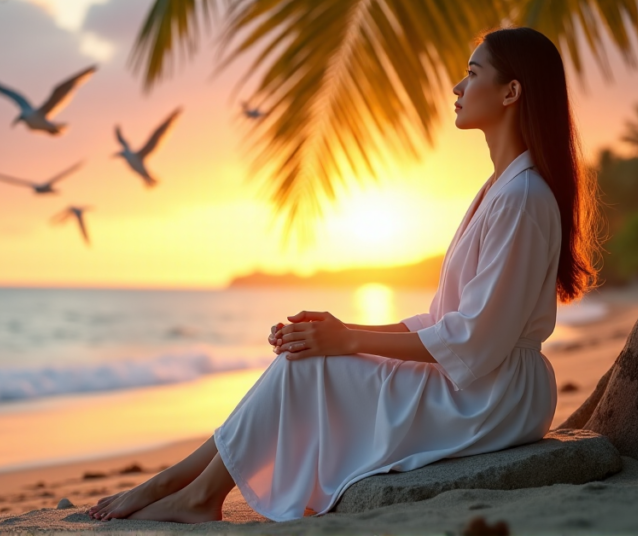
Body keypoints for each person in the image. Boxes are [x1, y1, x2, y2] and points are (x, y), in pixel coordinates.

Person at [86, 26, 601, 524]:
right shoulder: (502, 188)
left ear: (511, 92)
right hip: (480, 381)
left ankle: (193, 492)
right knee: (307, 355)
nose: (456, 87)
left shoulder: (522, 197)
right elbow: (445, 322)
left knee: (310, 366)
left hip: (495, 397)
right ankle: (181, 484)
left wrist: (350, 341)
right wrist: (339, 331)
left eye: (472, 73)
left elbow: (476, 339)